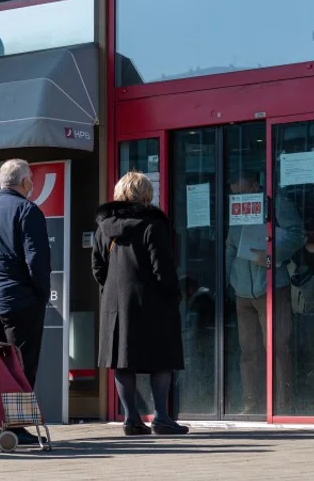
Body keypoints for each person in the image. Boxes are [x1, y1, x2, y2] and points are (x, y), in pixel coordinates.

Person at [92, 171, 188, 436]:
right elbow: (163, 269)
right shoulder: (152, 225)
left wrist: (112, 291)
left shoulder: (104, 227)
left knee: (123, 360)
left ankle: (131, 418)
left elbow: (97, 268)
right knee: (161, 358)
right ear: (146, 195)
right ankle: (162, 417)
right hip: (153, 301)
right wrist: (174, 296)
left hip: (116, 304)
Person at [0, 159, 50, 446]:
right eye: (31, 179)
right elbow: (37, 260)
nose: (33, 184)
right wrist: (41, 294)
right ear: (24, 182)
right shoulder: (27, 210)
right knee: (20, 364)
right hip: (20, 299)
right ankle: (14, 426)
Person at [225, 172, 304, 415]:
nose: (237, 196)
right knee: (248, 349)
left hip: (271, 286)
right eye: (234, 193)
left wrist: (270, 257)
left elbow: (297, 235)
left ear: (254, 184)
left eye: (241, 190)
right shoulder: (238, 207)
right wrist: (230, 279)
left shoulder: (276, 202)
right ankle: (252, 403)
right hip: (242, 290)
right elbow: (230, 245)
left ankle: (282, 404)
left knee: (278, 346)